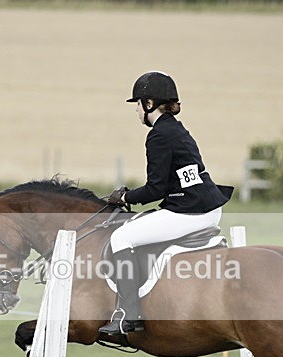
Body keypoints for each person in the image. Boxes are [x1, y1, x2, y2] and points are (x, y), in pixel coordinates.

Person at [99, 71, 231, 336]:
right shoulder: (177, 129)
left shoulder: (158, 135)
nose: (136, 111)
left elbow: (155, 189)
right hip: (205, 206)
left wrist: (124, 197)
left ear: (149, 105)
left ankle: (128, 315)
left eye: (137, 104)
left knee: (121, 237)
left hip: (191, 211)